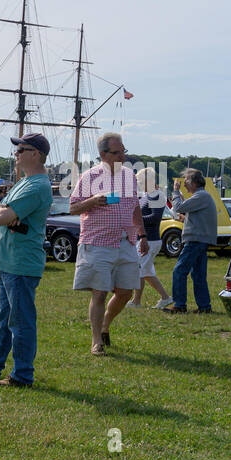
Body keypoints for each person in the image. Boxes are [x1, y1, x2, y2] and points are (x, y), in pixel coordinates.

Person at [0, 134, 54, 388]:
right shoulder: (24, 182)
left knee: (21, 322)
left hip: (21, 264)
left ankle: (22, 376)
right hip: (9, 262)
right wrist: (1, 209)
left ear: (35, 154)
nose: (15, 154)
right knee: (5, 319)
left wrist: (3, 212)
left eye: (21, 150)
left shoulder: (37, 186)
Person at [69, 132, 147, 355]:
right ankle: (96, 341)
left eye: (124, 151)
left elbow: (134, 207)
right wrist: (93, 200)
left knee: (125, 292)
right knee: (100, 292)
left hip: (126, 241)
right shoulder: (89, 177)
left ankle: (105, 325)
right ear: (103, 154)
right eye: (116, 152)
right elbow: (73, 207)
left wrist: (142, 235)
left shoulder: (129, 176)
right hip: (98, 242)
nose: (122, 156)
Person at [164, 168, 215, 314]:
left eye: (186, 180)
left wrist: (175, 192)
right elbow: (194, 215)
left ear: (193, 182)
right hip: (200, 240)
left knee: (179, 271)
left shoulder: (200, 196)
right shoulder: (202, 196)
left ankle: (180, 305)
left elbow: (179, 207)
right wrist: (185, 219)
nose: (183, 184)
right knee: (198, 275)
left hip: (195, 240)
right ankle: (204, 307)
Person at [132, 167, 172, 308]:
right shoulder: (146, 195)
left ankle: (136, 302)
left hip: (150, 239)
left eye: (141, 181)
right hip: (145, 238)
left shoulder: (157, 195)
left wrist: (136, 219)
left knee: (140, 270)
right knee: (147, 272)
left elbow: (155, 218)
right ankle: (165, 298)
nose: (139, 184)